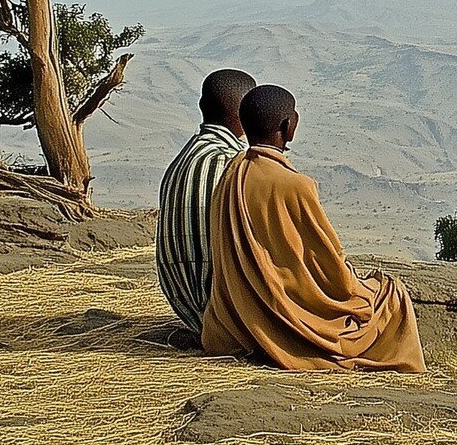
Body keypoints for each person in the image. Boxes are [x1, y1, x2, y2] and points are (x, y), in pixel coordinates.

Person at [201, 84, 426, 372]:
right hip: (289, 323)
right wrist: (362, 291)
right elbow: (331, 269)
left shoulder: (231, 174)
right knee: (391, 295)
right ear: (288, 126)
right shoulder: (294, 186)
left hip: (231, 325)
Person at [155, 68, 256, 336]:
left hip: (190, 310)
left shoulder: (182, 160)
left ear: (202, 107)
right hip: (233, 314)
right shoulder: (234, 166)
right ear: (247, 114)